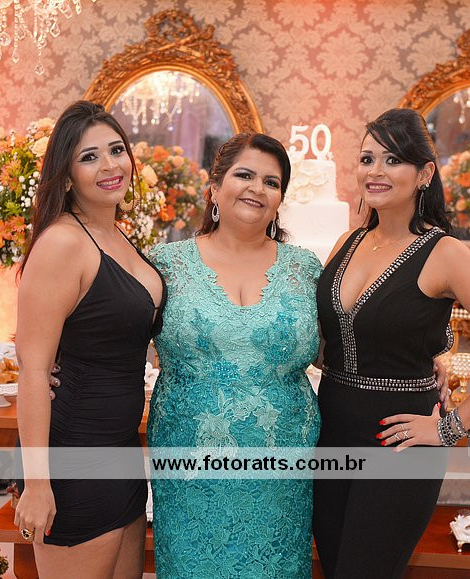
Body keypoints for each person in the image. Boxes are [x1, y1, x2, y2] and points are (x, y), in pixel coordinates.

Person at [312, 108, 470, 578]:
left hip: (399, 445)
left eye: (393, 159)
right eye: (367, 159)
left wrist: (449, 428)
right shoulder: (346, 243)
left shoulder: (446, 253)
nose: (375, 171)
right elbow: (327, 344)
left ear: (425, 173)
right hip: (328, 434)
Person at [147, 132, 323, 577]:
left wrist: (422, 363)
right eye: (245, 175)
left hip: (283, 467)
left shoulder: (304, 268)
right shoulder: (164, 265)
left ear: (280, 200)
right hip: (190, 468)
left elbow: (338, 349)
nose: (257, 188)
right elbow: (114, 335)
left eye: (271, 182)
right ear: (214, 187)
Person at [14, 100, 165, 578]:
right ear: (66, 176)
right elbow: (34, 370)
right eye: (89, 157)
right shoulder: (63, 242)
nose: (109, 165)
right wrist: (38, 483)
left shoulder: (115, 235)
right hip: (73, 455)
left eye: (116, 150)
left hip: (121, 450)